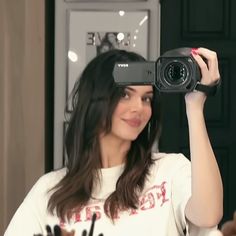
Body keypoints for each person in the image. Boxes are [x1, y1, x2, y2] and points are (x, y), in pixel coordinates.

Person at [4, 48, 223, 236]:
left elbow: (208, 215)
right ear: (95, 100)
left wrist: (194, 106)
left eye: (146, 98)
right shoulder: (49, 190)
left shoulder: (169, 171)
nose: (139, 107)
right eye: (125, 95)